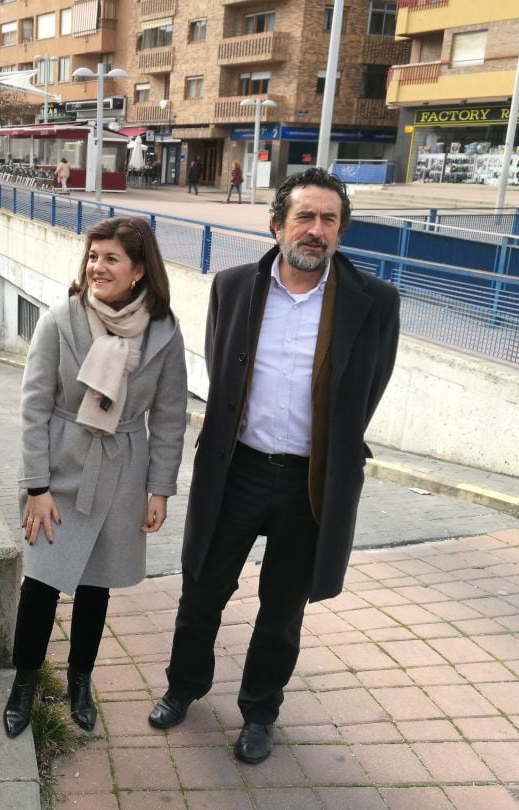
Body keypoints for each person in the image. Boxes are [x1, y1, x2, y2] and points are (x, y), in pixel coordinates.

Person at [148, 168, 401, 767]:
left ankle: (260, 712)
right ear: (277, 224)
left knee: (283, 609)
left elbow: (369, 389)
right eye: (304, 217)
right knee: (202, 590)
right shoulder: (233, 287)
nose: (315, 231)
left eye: (328, 220)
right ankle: (184, 687)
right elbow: (221, 371)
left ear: (341, 229)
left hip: (311, 484)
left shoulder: (375, 302)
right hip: (236, 472)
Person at [4, 217, 188, 738]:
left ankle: (80, 681)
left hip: (124, 469)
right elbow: (33, 407)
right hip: (61, 465)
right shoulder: (60, 319)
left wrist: (160, 490)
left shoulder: (164, 331)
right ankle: (24, 682)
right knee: (40, 582)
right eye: (92, 256)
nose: (97, 267)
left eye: (110, 258)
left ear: (138, 270)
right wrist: (35, 488)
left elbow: (171, 416)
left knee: (96, 585)